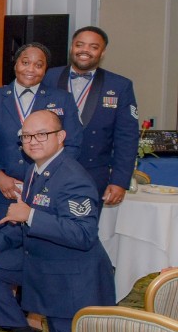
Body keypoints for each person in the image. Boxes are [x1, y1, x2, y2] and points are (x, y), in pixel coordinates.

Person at [0, 110, 113, 332]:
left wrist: (32, 216)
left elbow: (83, 234)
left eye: (41, 134)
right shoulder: (35, 170)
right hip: (39, 258)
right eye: (26, 136)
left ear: (61, 137)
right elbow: (20, 219)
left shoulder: (73, 178)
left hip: (71, 276)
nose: (33, 141)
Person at [0, 43, 83, 227]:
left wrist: (47, 177)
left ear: (45, 70)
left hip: (47, 190)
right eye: (25, 62)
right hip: (2, 190)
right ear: (15, 65)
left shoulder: (62, 99)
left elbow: (73, 144)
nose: (31, 69)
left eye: (38, 65)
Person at [42, 26, 138, 206]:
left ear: (102, 53)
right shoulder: (49, 77)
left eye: (93, 47)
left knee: (85, 230)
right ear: (72, 47)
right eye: (80, 45)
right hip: (49, 171)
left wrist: (119, 181)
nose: (85, 50)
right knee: (45, 227)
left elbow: (127, 138)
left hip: (94, 174)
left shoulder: (120, 86)